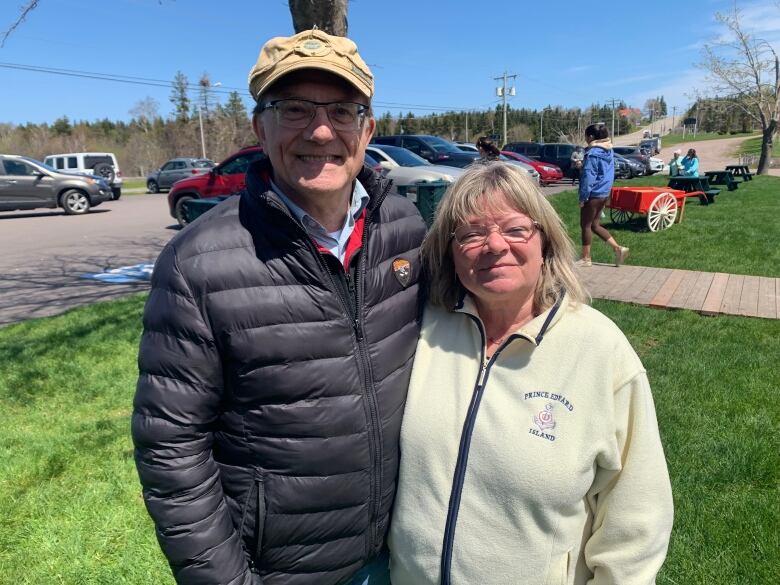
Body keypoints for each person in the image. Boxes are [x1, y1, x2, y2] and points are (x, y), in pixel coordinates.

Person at [132, 28, 426, 585]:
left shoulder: (405, 228)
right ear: (257, 128)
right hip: (281, 570)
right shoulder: (197, 264)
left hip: (403, 552)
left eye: (343, 110)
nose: (320, 130)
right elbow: (171, 448)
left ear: (367, 128)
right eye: (293, 108)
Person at [388, 162, 674, 585]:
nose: (494, 245)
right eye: (470, 233)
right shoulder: (420, 329)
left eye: (515, 229)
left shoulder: (600, 349)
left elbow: (637, 519)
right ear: (449, 251)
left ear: (545, 241)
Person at [577, 123, 629, 267]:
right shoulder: (608, 151)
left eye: (586, 137)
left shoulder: (592, 153)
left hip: (593, 194)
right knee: (595, 225)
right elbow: (604, 172)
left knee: (585, 225)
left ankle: (586, 258)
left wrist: (583, 197)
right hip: (604, 193)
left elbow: (589, 177)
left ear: (592, 137)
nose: (586, 139)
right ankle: (618, 249)